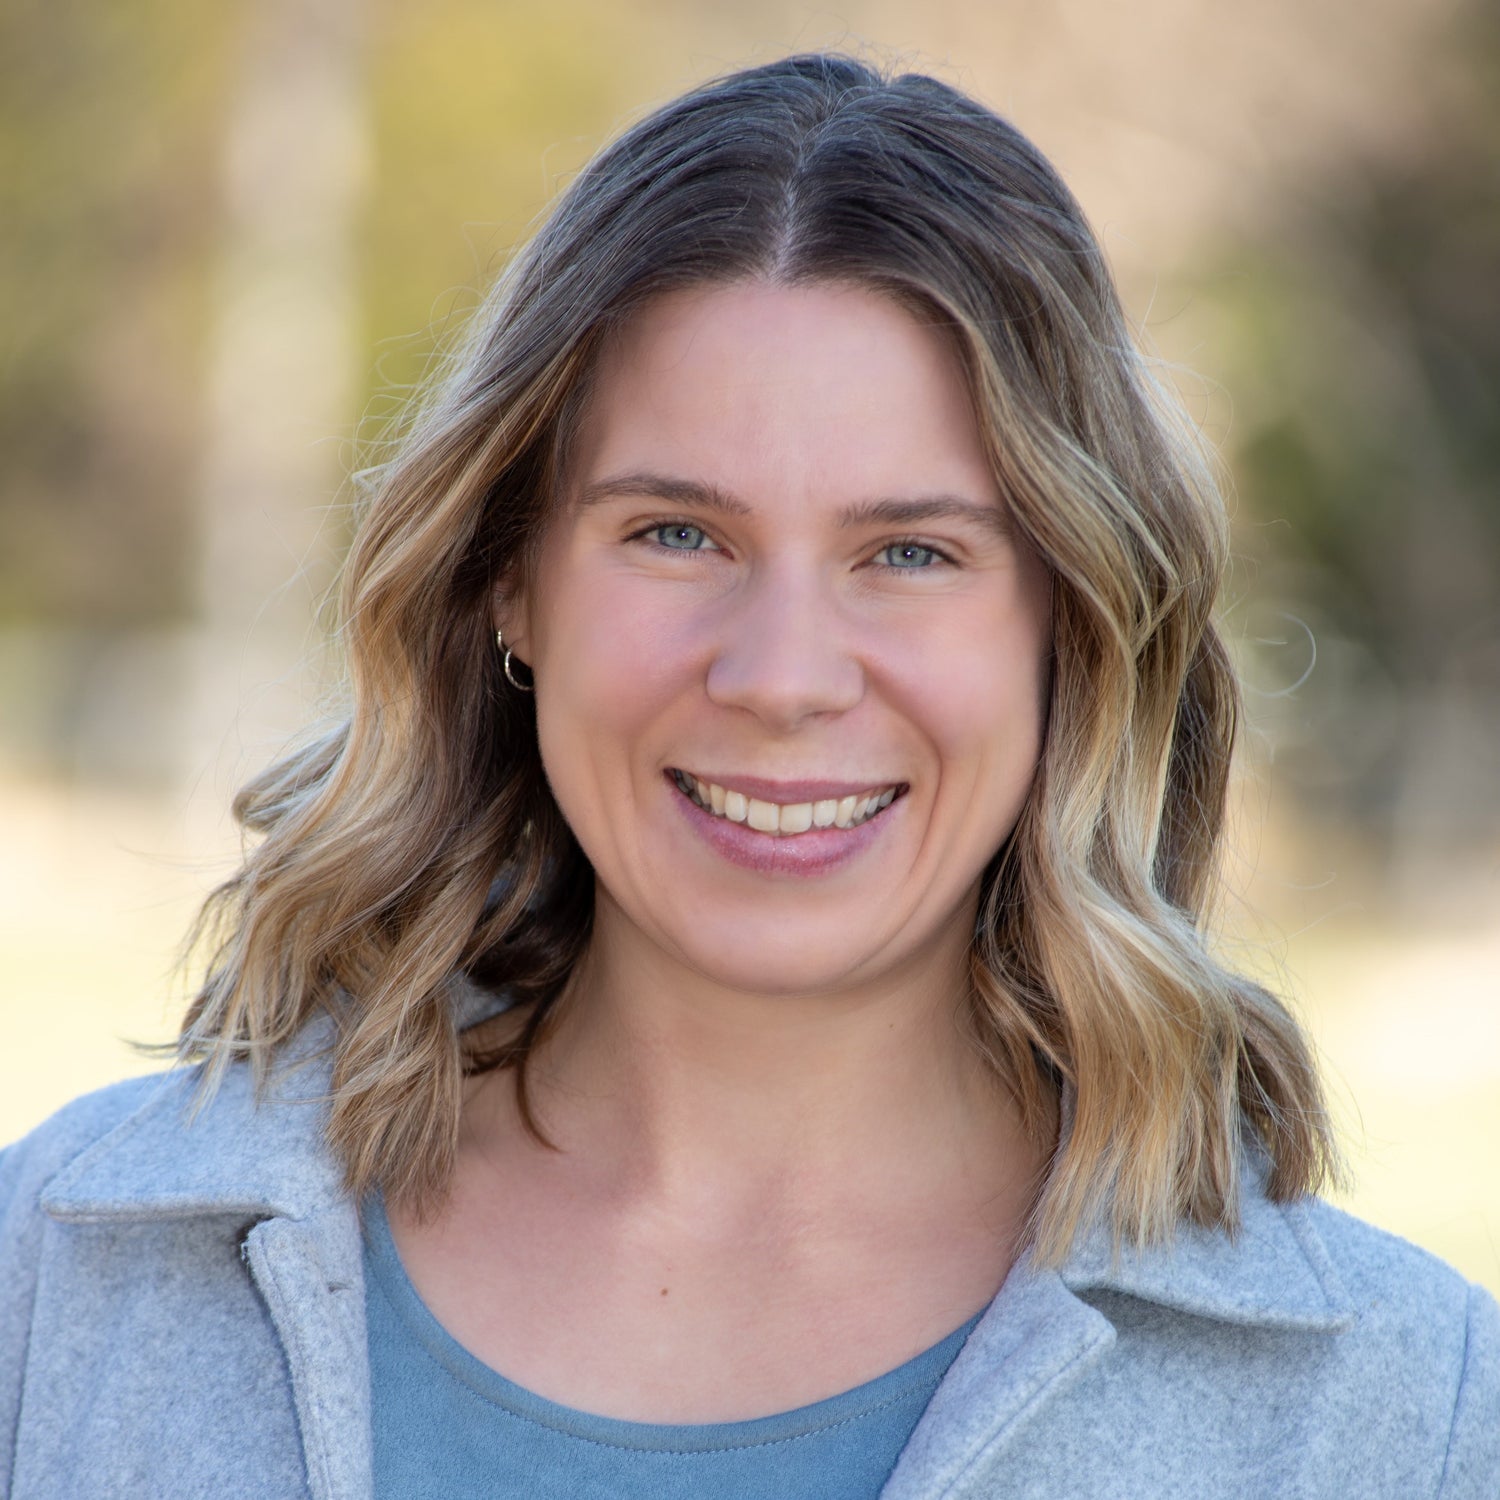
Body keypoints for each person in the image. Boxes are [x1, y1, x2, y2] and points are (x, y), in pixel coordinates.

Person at [1, 52, 1496, 1500]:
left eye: (909, 553)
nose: (782, 676)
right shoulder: (59, 1277)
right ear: (509, 582)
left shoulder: (1409, 1416)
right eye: (676, 533)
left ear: (1075, 625)